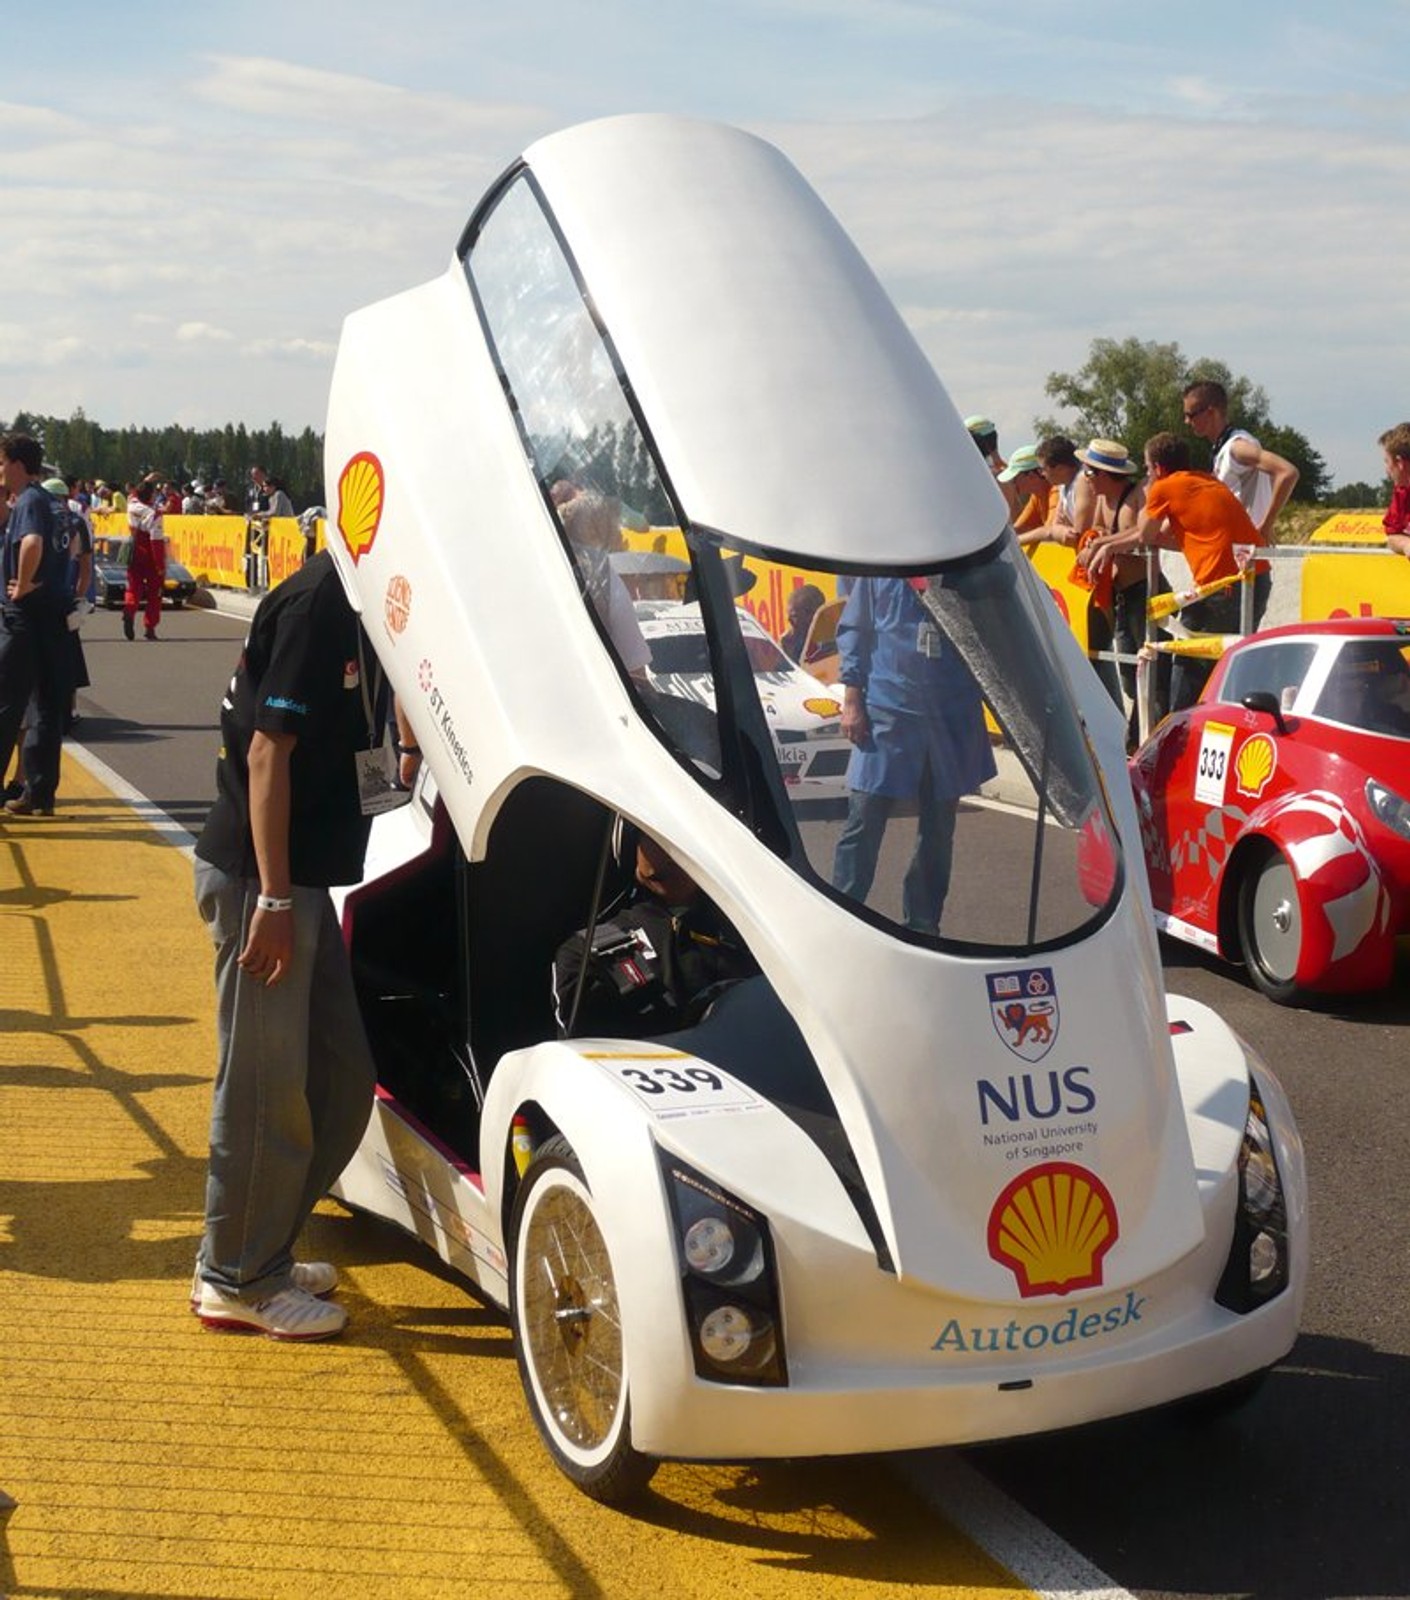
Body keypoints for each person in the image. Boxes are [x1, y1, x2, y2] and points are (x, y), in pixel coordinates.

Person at [192, 549, 420, 1341]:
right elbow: (265, 753)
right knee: (265, 1086)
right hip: (265, 883)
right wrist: (276, 898)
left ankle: (263, 1248)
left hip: (304, 880)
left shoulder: (366, 598)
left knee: (341, 1076)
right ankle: (235, 1278)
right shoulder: (318, 603)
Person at [831, 576, 996, 935]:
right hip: (888, 708)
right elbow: (856, 629)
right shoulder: (881, 568)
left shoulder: (963, 566)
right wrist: (852, 700)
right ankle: (843, 916)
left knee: (938, 830)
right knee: (863, 820)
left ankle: (923, 925)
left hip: (951, 713)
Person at [1091, 432, 1270, 713]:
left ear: (1159, 469)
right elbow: (1167, 537)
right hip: (1256, 579)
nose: (1148, 476)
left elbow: (1146, 535)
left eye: (1149, 469)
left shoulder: (1165, 487)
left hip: (1223, 587)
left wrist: (1106, 544)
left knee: (1188, 666)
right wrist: (1107, 544)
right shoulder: (1206, 480)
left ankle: (1179, 741)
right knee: (1227, 665)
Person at [553, 832, 758, 1037]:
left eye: (682, 835)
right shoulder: (585, 954)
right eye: (656, 835)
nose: (672, 851)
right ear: (629, 847)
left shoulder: (759, 938)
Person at [0, 435, 70, 818]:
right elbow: (72, 551)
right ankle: (40, 794)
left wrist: (23, 584)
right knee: (46, 707)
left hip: (25, 615)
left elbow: (32, 544)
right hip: (54, 615)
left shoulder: (27, 501)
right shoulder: (54, 504)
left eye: (2, 462)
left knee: (6, 704)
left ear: (16, 464)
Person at [1181, 380, 1299, 542]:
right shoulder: (1222, 449)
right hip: (1236, 549)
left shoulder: (1237, 447)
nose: (1186, 422)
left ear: (1211, 412)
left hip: (1248, 552)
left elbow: (1287, 472)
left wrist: (1266, 526)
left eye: (1190, 415)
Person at [123, 478, 166, 641]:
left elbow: (135, 492)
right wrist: (160, 566)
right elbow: (156, 542)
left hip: (134, 550)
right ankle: (150, 627)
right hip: (149, 553)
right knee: (155, 592)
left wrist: (146, 480)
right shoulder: (154, 515)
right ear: (150, 496)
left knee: (133, 586)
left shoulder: (131, 504)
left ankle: (129, 608)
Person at [1378, 422, 1410, 558]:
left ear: (1399, 463)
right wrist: (1406, 545)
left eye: (1387, 461)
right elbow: (1392, 535)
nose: (1386, 470)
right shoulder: (1401, 493)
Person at [779, 583, 827, 661]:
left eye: (794, 616)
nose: (789, 620)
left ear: (811, 615)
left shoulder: (831, 640)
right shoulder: (788, 641)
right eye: (788, 615)